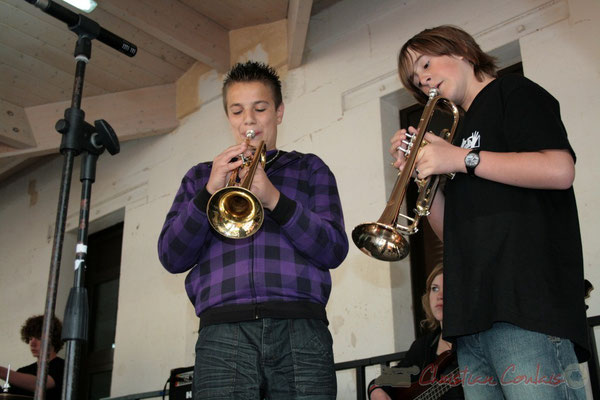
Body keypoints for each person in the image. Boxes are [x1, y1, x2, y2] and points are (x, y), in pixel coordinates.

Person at [391, 25, 589, 399]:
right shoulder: (458, 133)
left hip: (525, 307)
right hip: (471, 322)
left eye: (427, 64)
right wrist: (420, 176)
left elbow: (560, 170)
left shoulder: (513, 92)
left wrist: (461, 158)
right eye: (417, 80)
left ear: (463, 50)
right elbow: (453, 231)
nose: (424, 80)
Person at [158, 60, 348, 399]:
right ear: (228, 117)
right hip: (222, 334)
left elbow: (333, 249)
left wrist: (275, 198)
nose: (249, 120)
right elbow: (172, 257)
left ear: (279, 112)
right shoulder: (200, 177)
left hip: (300, 331)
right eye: (237, 111)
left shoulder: (309, 168)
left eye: (260, 108)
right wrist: (207, 194)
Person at [368, 264, 464, 400]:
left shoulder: (474, 342)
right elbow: (386, 380)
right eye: (434, 289)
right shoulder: (423, 347)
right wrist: (376, 390)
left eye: (448, 288)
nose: (440, 296)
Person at [0, 315, 65, 400]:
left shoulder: (63, 367)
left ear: (53, 339)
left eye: (38, 338)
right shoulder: (23, 371)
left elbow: (41, 384)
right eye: (30, 339)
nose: (32, 344)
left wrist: (1, 372)